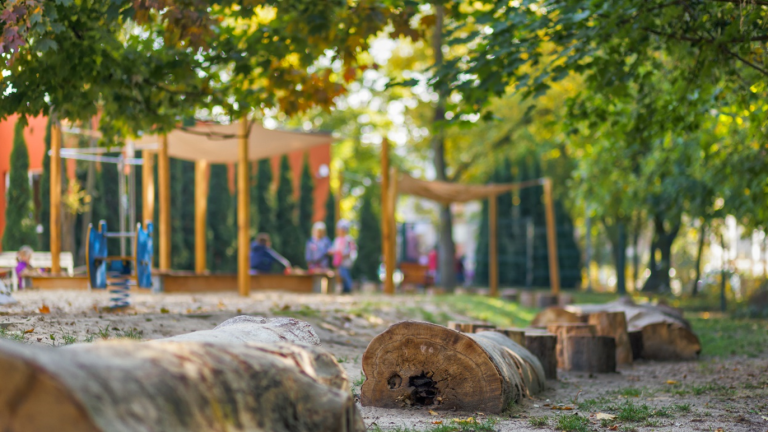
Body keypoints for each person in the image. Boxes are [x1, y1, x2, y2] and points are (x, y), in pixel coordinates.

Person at [331, 219, 356, 293]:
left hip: (346, 261)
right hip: (339, 261)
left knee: (345, 274)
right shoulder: (337, 240)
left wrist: (345, 254)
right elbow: (334, 248)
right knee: (340, 275)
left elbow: (351, 250)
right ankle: (344, 288)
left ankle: (348, 287)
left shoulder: (348, 239)